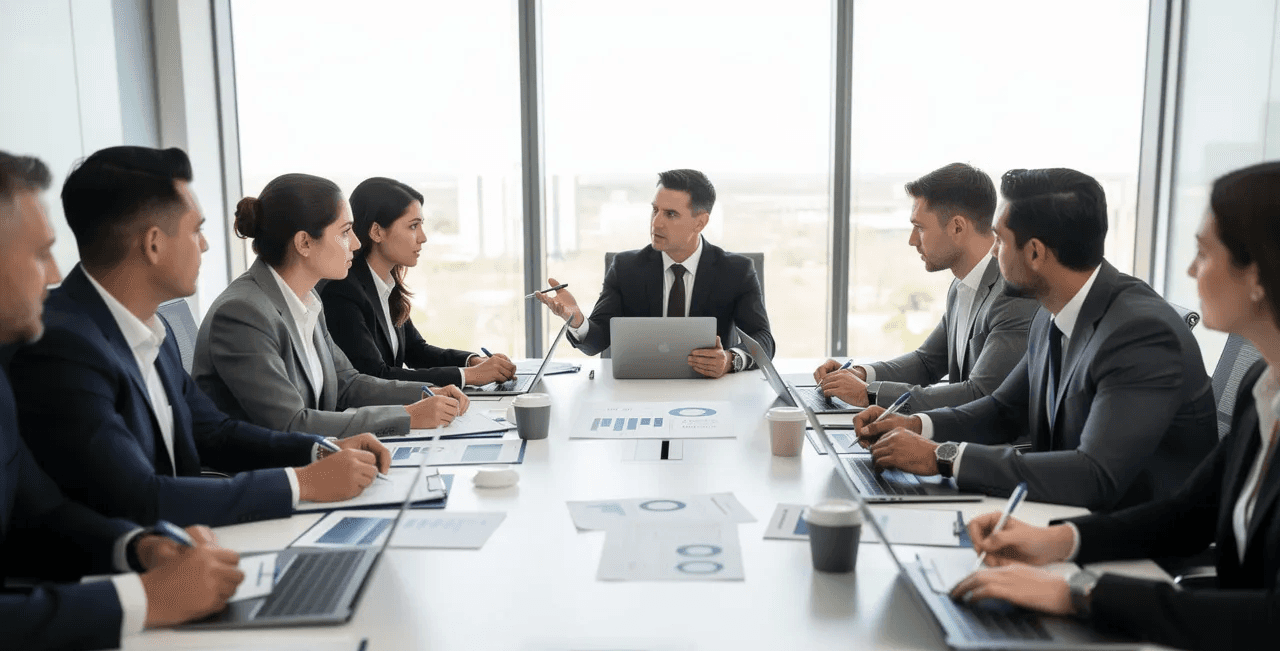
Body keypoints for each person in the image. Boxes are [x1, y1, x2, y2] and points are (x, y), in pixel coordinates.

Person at [951, 159, 1280, 651]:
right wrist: (1059, 542)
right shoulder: (1269, 382)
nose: (1189, 270)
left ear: (1261, 275)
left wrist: (1080, 594)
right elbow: (1187, 514)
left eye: (1204, 253)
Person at [8, 146, 391, 529]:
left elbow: (214, 432)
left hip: (187, 544)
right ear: (154, 243)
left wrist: (319, 450)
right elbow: (137, 497)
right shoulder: (66, 346)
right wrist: (300, 482)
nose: (205, 245)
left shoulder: (152, 330)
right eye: (196, 230)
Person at [0, 150, 243, 651]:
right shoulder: (59, 344)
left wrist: (137, 548)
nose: (53, 274)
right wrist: (147, 598)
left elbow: (41, 513)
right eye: (40, 253)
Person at [854, 168, 1217, 511]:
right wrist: (916, 425)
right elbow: (1003, 410)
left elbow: (1094, 475)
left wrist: (942, 456)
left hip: (1128, 542)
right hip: (1058, 514)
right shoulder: (1050, 310)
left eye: (999, 239)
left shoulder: (1141, 333)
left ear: (1035, 253)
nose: (993, 251)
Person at [194, 173, 470, 438]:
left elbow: (347, 383)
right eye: (345, 231)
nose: (356, 243)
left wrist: (427, 392)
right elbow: (290, 424)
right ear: (304, 242)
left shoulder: (307, 299)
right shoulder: (244, 313)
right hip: (268, 476)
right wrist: (407, 416)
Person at [813, 163, 1037, 409]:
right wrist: (859, 374)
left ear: (957, 227)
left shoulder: (1012, 295)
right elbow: (927, 362)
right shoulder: (961, 286)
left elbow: (981, 394)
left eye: (919, 227)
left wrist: (870, 394)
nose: (911, 240)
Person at [534, 169, 773, 377]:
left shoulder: (736, 271)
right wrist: (577, 320)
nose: (656, 223)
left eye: (670, 214)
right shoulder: (626, 268)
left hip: (711, 389)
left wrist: (731, 360)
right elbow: (597, 340)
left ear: (700, 223)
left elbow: (763, 339)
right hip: (638, 390)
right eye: (655, 210)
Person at [320, 177, 516, 389]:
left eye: (421, 225)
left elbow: (416, 351)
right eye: (413, 226)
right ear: (377, 232)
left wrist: (472, 361)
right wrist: (468, 376)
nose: (423, 237)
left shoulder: (385, 284)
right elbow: (375, 375)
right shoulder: (343, 291)